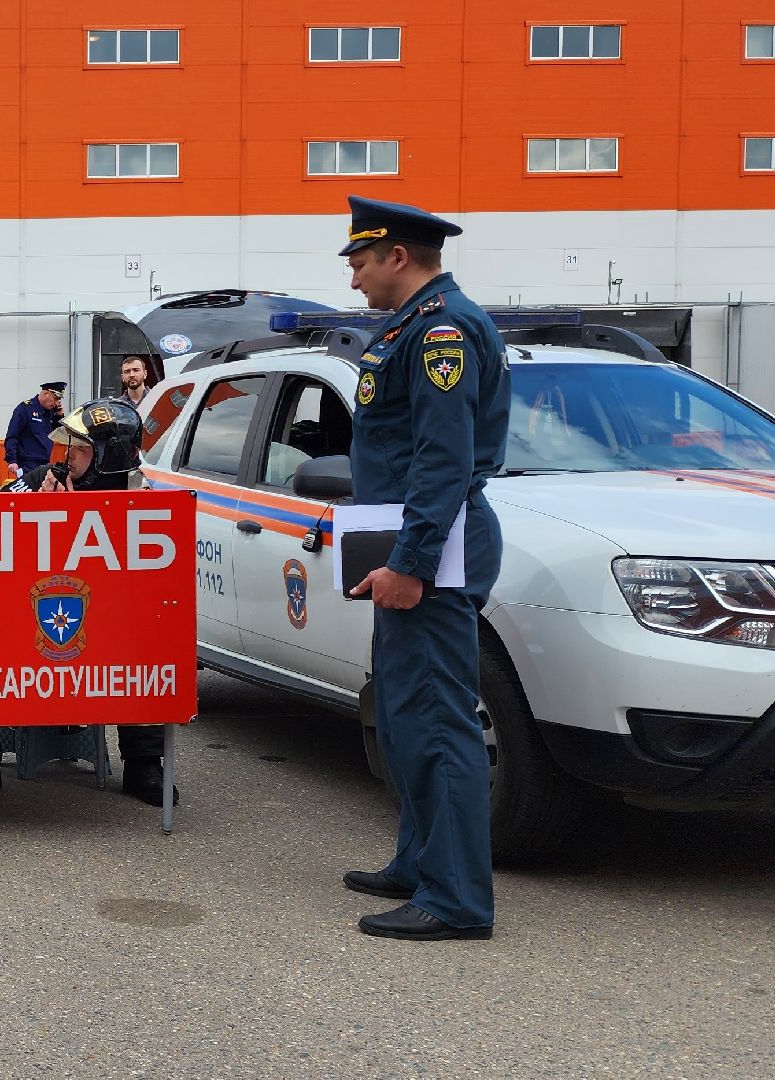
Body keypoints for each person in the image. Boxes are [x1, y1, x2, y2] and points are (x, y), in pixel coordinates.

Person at [335, 195, 509, 943]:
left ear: (397, 257)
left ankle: (456, 899)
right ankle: (418, 861)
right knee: (404, 716)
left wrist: (410, 561)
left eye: (361, 263)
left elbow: (444, 458)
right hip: (410, 541)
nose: (354, 281)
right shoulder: (410, 326)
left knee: (438, 722)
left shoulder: (441, 330)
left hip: (433, 546)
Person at [0, 398, 179, 805]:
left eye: (79, 448)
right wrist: (40, 508)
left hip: (110, 617)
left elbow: (151, 576)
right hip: (32, 608)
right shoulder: (46, 476)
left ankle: (145, 763)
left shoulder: (141, 492)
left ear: (107, 453)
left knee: (146, 651)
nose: (65, 455)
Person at [2, 381, 64, 479]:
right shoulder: (25, 409)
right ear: (45, 394)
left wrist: (59, 416)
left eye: (59, 400)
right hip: (27, 463)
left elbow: (58, 434)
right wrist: (12, 460)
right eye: (55, 399)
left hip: (45, 463)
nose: (56, 403)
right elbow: (12, 435)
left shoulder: (51, 413)